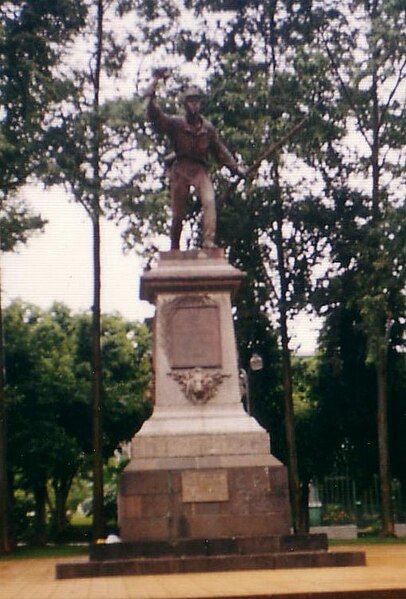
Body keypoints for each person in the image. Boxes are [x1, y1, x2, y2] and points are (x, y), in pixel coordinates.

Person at [144, 71, 248, 250]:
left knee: (209, 201)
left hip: (200, 170)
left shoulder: (207, 129)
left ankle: (208, 241)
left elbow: (220, 151)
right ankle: (174, 246)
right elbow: (156, 116)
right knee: (178, 214)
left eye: (197, 101)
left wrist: (236, 168)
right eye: (190, 101)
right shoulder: (176, 124)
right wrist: (153, 88)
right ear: (185, 104)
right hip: (181, 169)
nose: (194, 105)